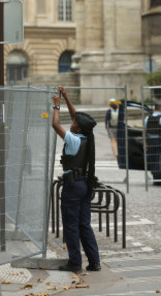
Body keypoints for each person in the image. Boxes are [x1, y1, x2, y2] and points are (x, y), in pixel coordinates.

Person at [52, 86, 101, 273]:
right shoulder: (87, 136)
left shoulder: (73, 139)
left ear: (77, 127)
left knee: (71, 225)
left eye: (75, 122)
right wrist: (65, 97)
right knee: (84, 224)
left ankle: (75, 263)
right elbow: (76, 117)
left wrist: (56, 107)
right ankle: (94, 262)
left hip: (72, 186)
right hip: (84, 185)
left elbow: (56, 125)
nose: (72, 122)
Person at [144, 102, 161, 184]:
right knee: (158, 159)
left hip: (150, 141)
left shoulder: (147, 118)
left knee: (152, 159)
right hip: (159, 141)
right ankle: (159, 177)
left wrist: (145, 143)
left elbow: (144, 131)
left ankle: (155, 175)